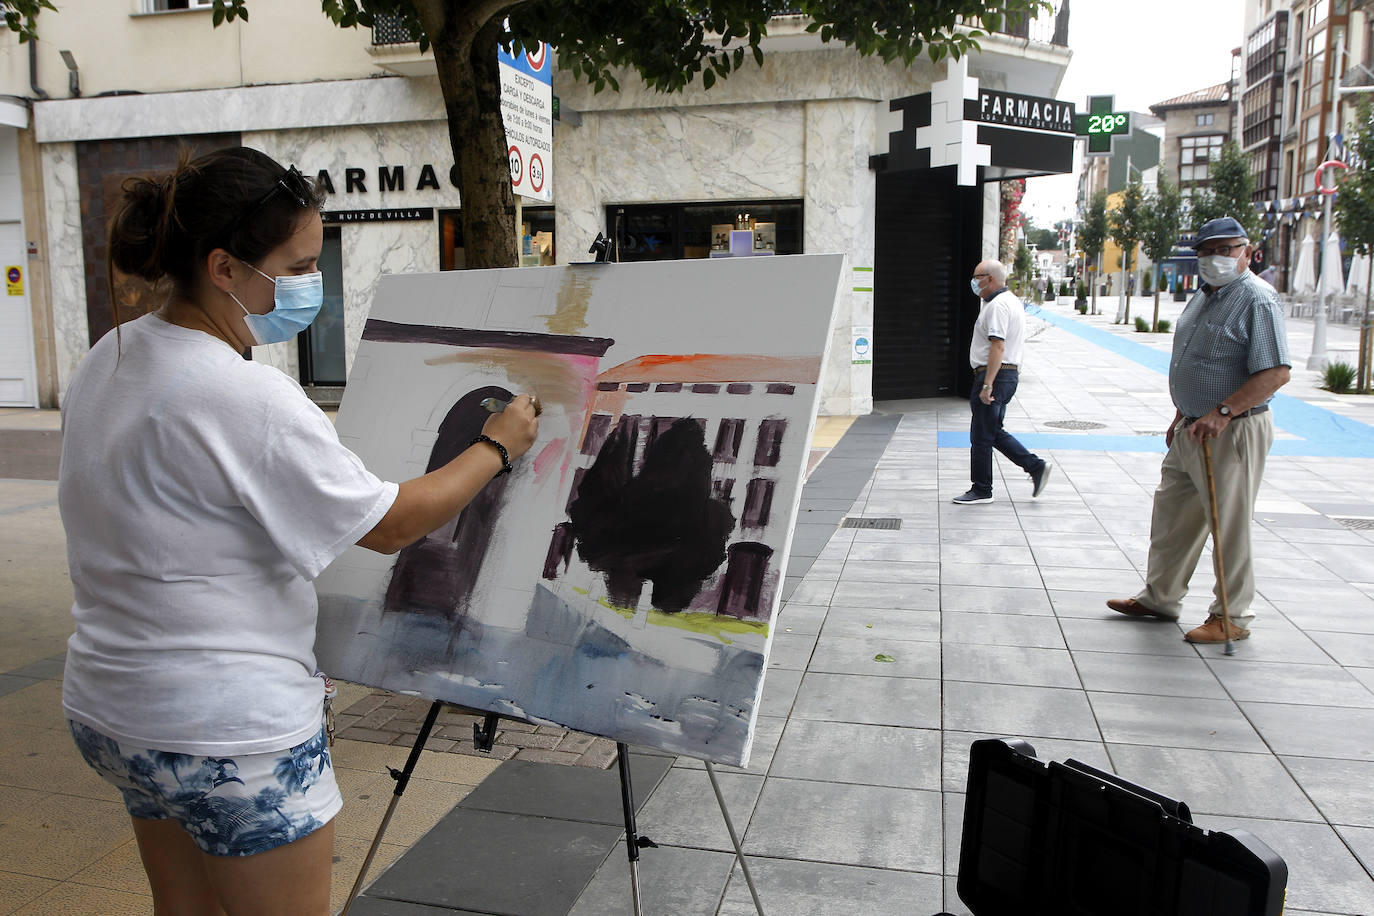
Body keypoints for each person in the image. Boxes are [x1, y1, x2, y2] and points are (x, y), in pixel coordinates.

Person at [58, 146, 539, 914]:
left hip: (115, 712)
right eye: (298, 263)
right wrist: (496, 447)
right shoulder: (244, 394)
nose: (311, 282)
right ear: (223, 267)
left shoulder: (110, 356)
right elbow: (391, 525)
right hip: (227, 730)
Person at [1106, 216, 1290, 644]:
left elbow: (1276, 372)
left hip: (1232, 430)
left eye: (1226, 249)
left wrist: (1223, 411)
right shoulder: (1204, 295)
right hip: (1192, 427)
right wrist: (1181, 414)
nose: (1215, 258)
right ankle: (1160, 596)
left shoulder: (1257, 300)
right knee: (1172, 516)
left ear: (1247, 251)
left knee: (1228, 523)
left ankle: (1232, 615)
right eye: (1207, 251)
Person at [953, 259, 1052, 505]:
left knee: (981, 435)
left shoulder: (998, 306)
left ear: (991, 279)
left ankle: (982, 489)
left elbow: (997, 345)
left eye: (978, 276)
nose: (974, 281)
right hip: (1005, 375)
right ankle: (1034, 466)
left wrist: (987, 384)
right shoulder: (1008, 302)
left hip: (995, 375)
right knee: (991, 431)